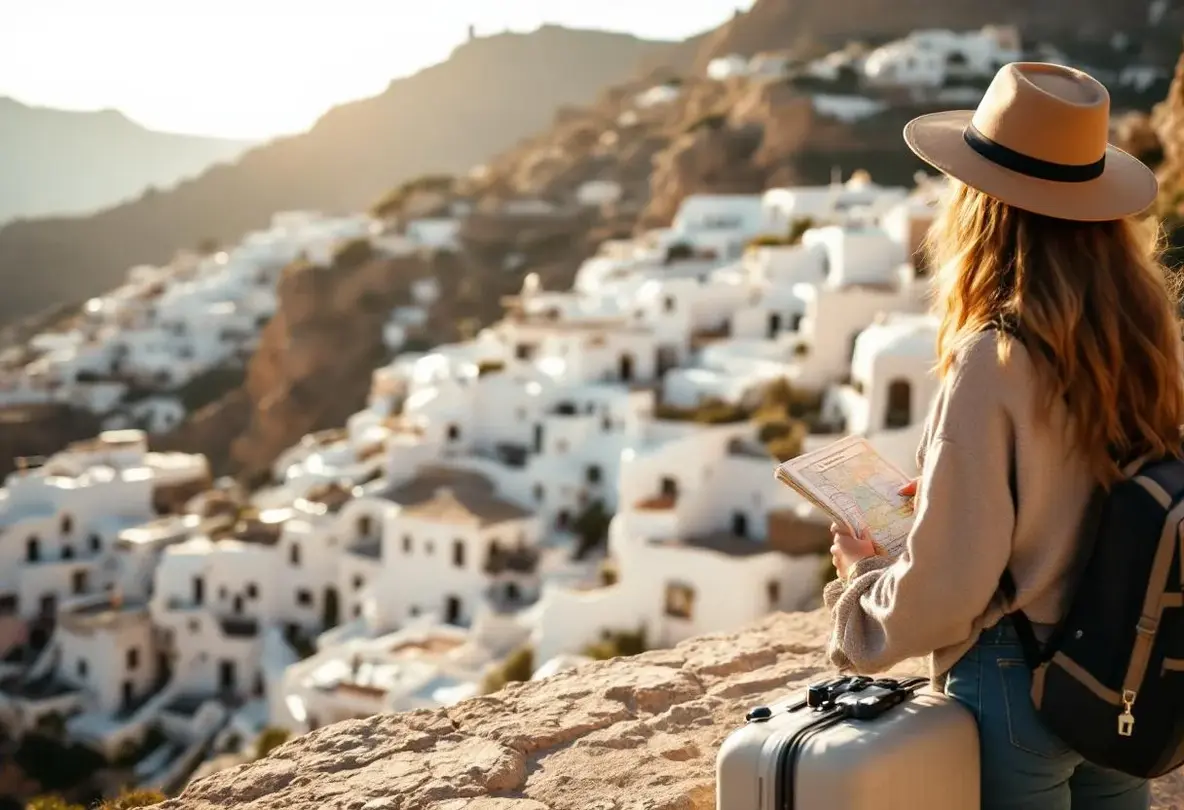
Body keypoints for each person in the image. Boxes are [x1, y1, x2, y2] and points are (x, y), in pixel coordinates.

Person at [825, 62, 1184, 810]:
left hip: (1014, 687)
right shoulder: (1155, 342)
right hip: (1124, 674)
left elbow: (952, 588)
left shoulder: (995, 358)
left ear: (983, 209)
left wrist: (862, 595)